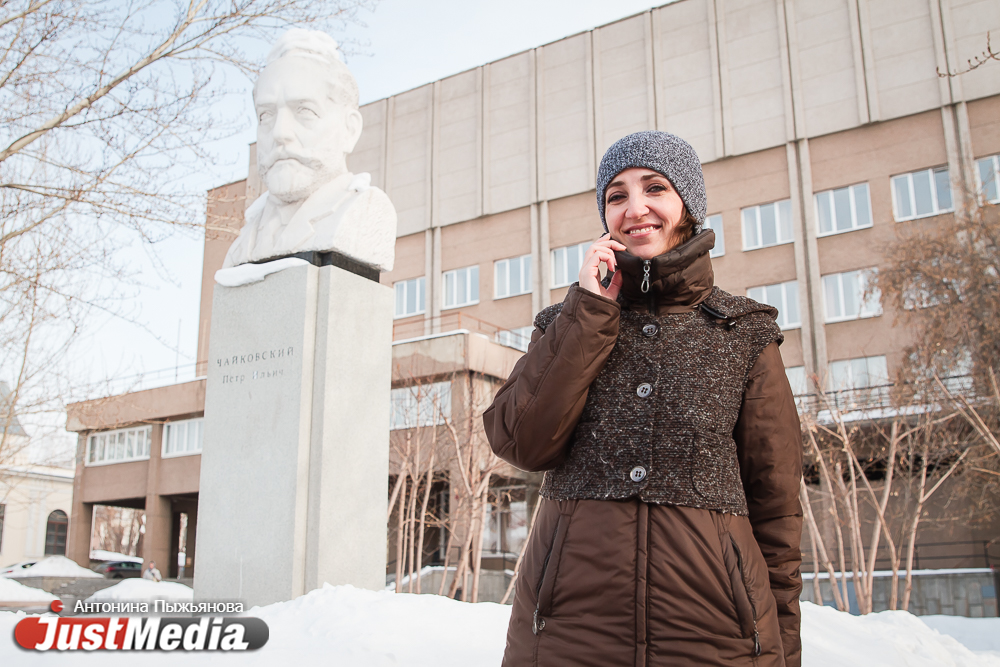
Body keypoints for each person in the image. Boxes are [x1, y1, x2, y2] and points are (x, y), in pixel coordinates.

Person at [483, 131, 803, 667]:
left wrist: (783, 647)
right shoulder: (568, 323)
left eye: (655, 188)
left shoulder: (744, 332)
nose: (635, 209)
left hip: (715, 635)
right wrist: (587, 311)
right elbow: (521, 442)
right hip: (566, 634)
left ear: (688, 205)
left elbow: (776, 508)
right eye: (616, 195)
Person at [222, 29, 396, 271]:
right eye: (266, 115)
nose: (279, 132)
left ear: (349, 130)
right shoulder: (244, 241)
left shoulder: (364, 213)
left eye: (305, 111)